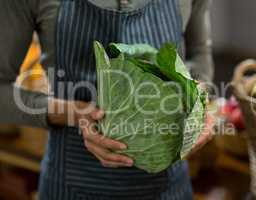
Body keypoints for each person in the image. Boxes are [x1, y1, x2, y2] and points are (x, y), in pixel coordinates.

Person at [0, 0, 214, 199]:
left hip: (170, 188)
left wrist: (198, 106)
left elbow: (199, 54)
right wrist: (75, 113)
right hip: (69, 186)